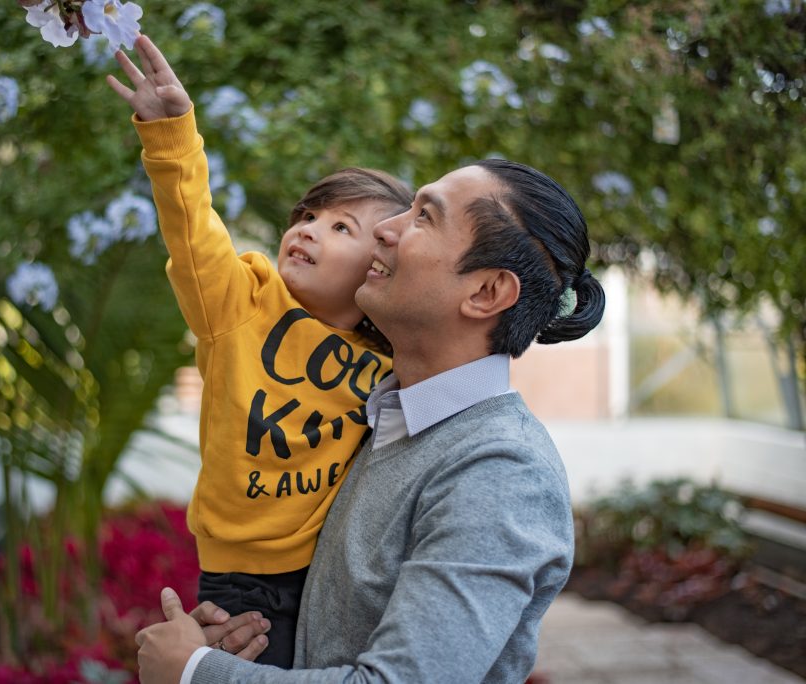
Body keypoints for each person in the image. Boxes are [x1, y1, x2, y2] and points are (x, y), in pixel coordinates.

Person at [131, 115, 607, 682]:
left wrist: (195, 672)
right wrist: (236, 642)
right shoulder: (381, 417)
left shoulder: (502, 472)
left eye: (423, 217)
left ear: (485, 292)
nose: (386, 230)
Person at [106, 36, 413, 668]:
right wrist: (171, 135)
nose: (307, 228)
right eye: (310, 213)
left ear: (380, 269)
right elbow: (192, 226)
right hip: (244, 585)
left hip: (332, 572)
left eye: (341, 228)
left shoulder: (391, 357)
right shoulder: (240, 303)